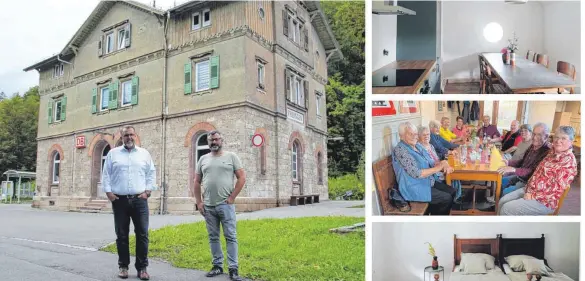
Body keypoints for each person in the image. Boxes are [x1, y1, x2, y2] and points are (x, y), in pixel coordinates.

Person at [102, 125, 156, 280]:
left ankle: (142, 268)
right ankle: (123, 267)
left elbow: (151, 173)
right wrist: (109, 193)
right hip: (120, 200)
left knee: (142, 235)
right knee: (121, 235)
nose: (129, 138)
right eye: (126, 135)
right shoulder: (113, 154)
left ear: (135, 135)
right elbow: (106, 174)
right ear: (122, 137)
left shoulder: (144, 154)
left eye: (131, 135)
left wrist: (148, 191)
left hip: (140, 200)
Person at [194, 130, 246, 281]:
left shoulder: (231, 157)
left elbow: (242, 177)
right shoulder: (203, 159)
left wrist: (232, 197)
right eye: (211, 140)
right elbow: (196, 181)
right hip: (208, 206)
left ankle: (233, 269)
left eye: (216, 139)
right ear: (208, 142)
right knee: (213, 237)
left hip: (225, 205)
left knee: (231, 236)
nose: (214, 142)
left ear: (222, 140)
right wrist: (199, 202)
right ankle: (217, 266)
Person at [498, 126, 577, 216]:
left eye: (563, 138)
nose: (558, 141)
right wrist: (528, 189)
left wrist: (533, 195)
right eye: (557, 137)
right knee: (502, 201)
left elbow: (554, 190)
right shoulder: (552, 152)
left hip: (543, 201)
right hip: (529, 189)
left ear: (571, 141)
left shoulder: (568, 162)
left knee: (506, 208)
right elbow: (535, 173)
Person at [392, 122, 456, 215]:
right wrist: (439, 167)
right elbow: (417, 173)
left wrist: (444, 163)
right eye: (411, 134)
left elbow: (431, 162)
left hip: (427, 181)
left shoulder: (417, 146)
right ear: (401, 136)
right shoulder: (401, 149)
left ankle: (433, 213)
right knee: (446, 198)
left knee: (452, 191)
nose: (415, 136)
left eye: (415, 134)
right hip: (414, 186)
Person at [497, 123, 550, 196]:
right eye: (534, 134)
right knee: (501, 181)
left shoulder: (546, 152)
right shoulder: (532, 146)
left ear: (546, 136)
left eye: (539, 135)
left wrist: (514, 170)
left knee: (506, 191)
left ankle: (502, 203)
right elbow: (522, 161)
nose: (535, 137)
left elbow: (532, 171)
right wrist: (509, 162)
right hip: (521, 177)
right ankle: (497, 202)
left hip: (527, 183)